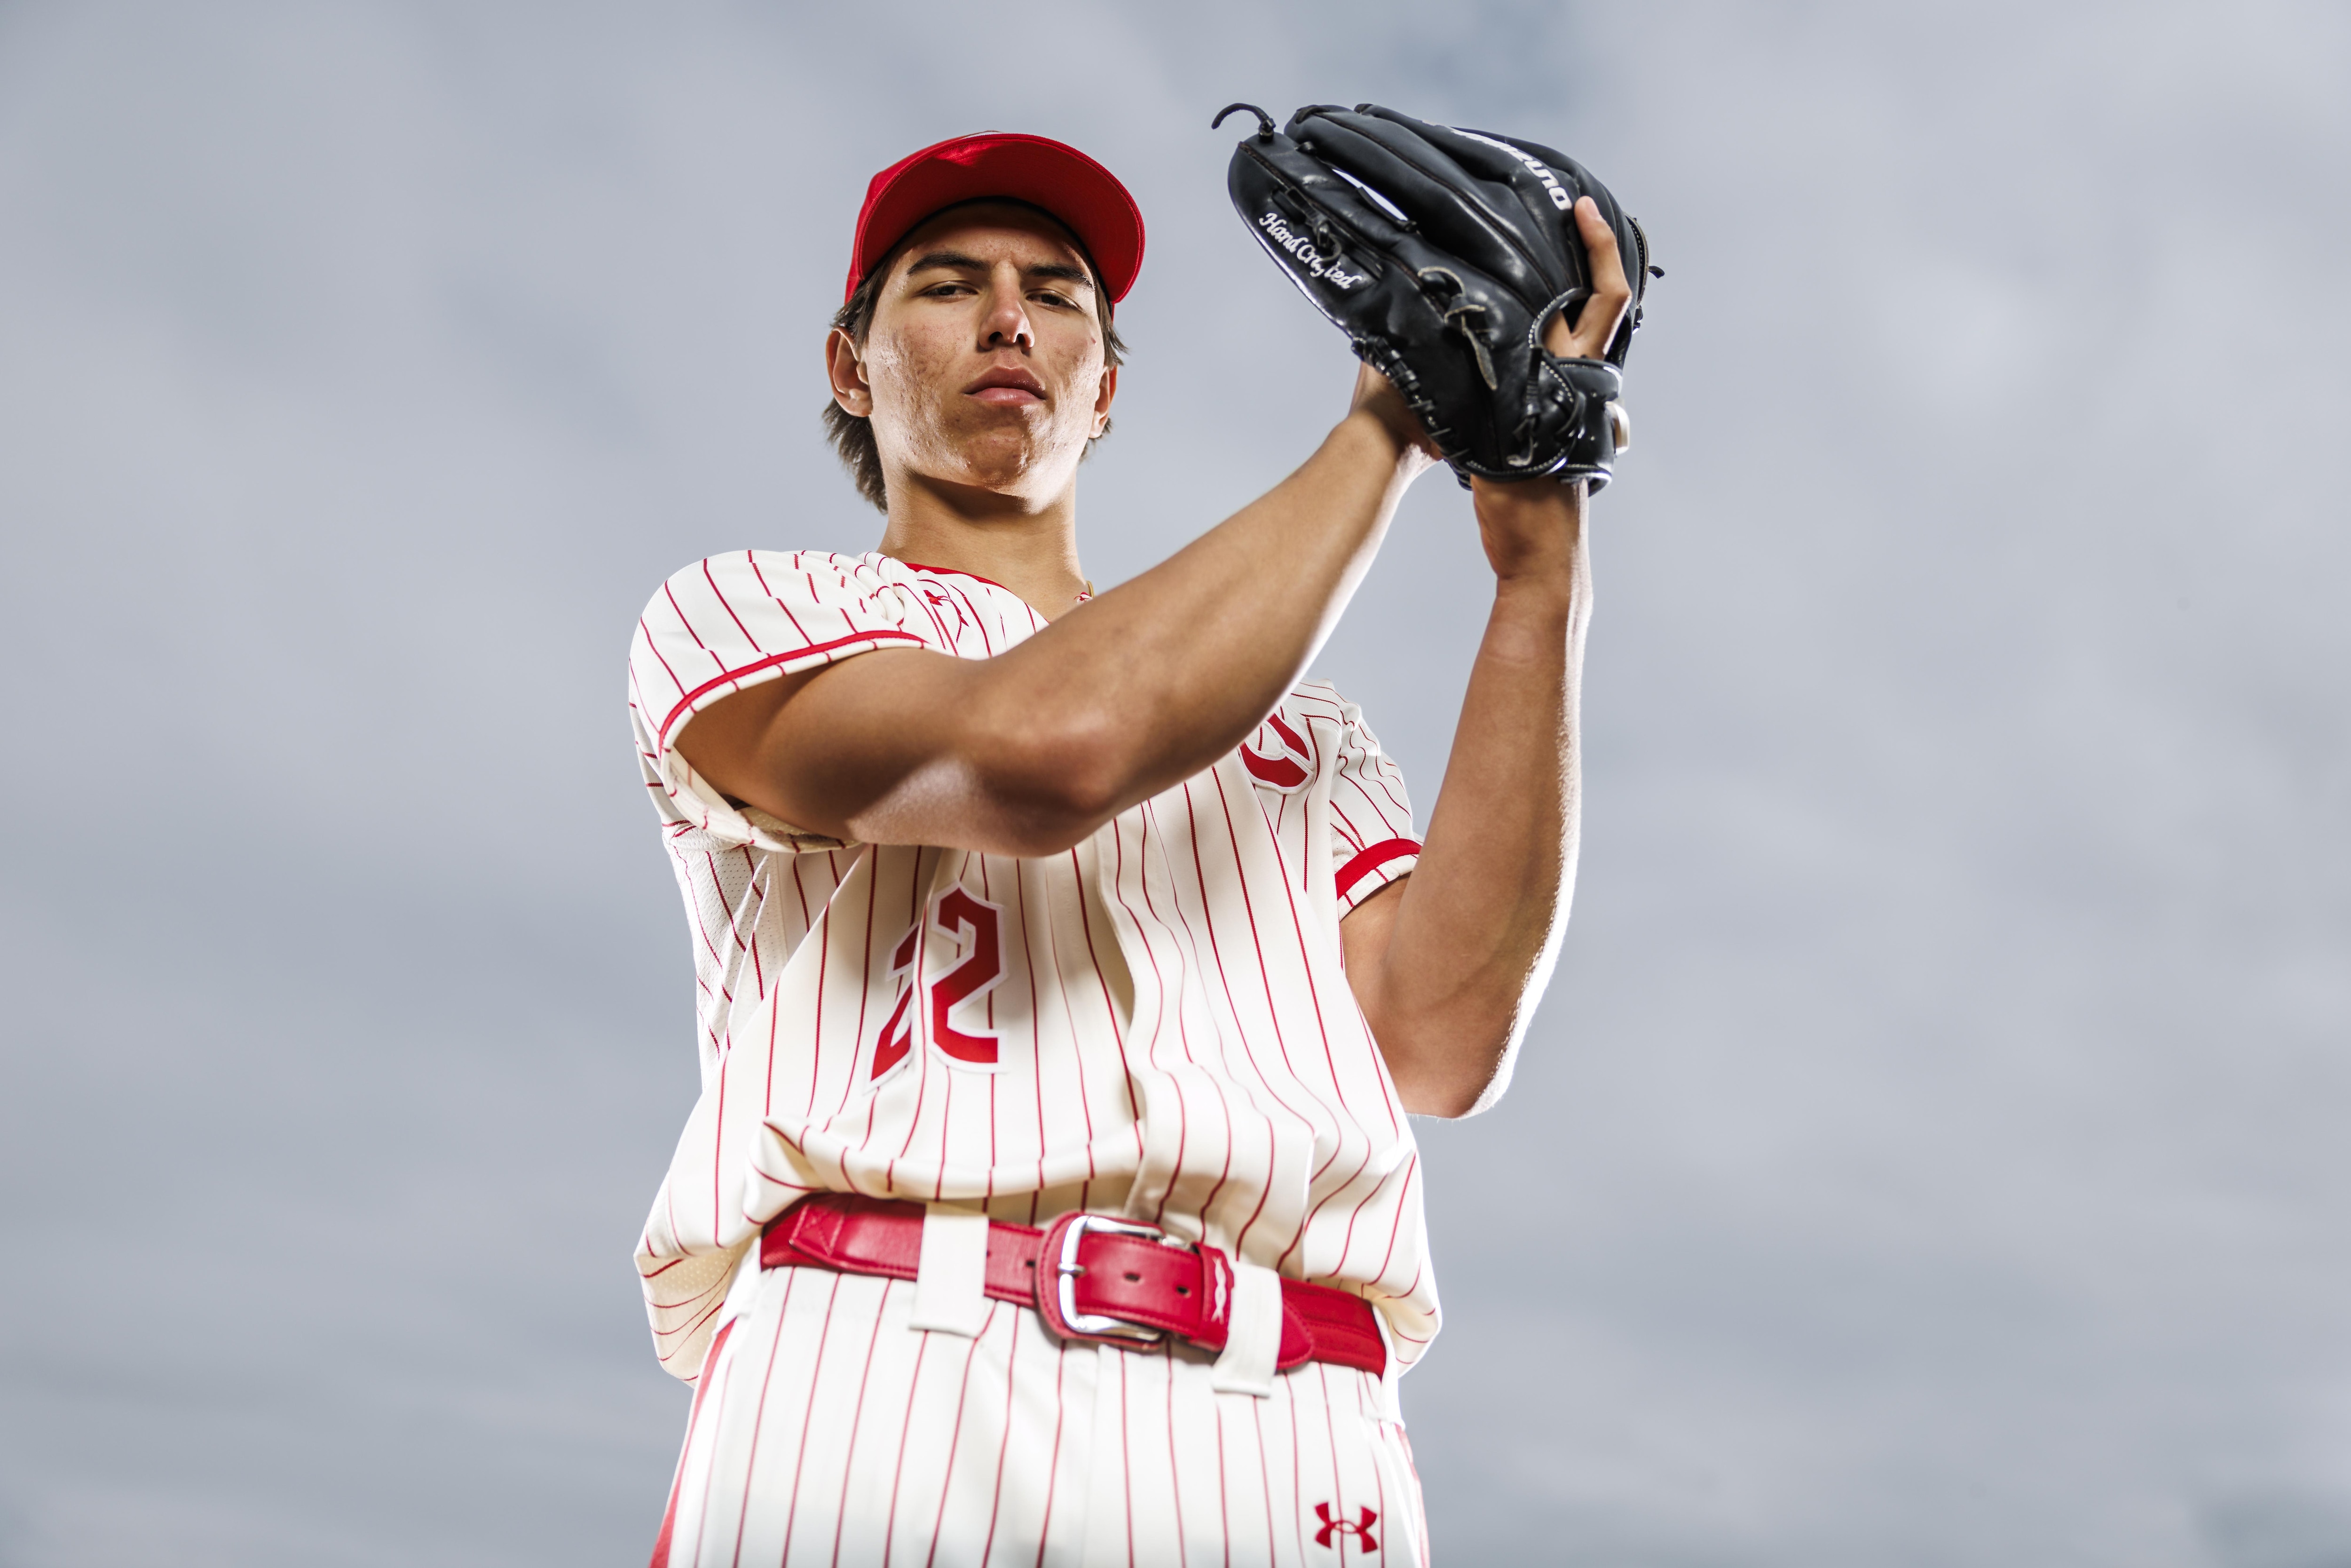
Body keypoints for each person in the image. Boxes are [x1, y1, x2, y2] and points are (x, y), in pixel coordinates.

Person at [626, 129, 1629, 1567]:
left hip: (1291, 1411)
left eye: (1057, 296)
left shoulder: (1303, 724)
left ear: (1103, 387)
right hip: (891, 1364)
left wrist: (1540, 572)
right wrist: (1391, 421)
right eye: (947, 285)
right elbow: (1048, 752)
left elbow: (1446, 1042)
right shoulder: (748, 612)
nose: (1009, 319)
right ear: (850, 367)